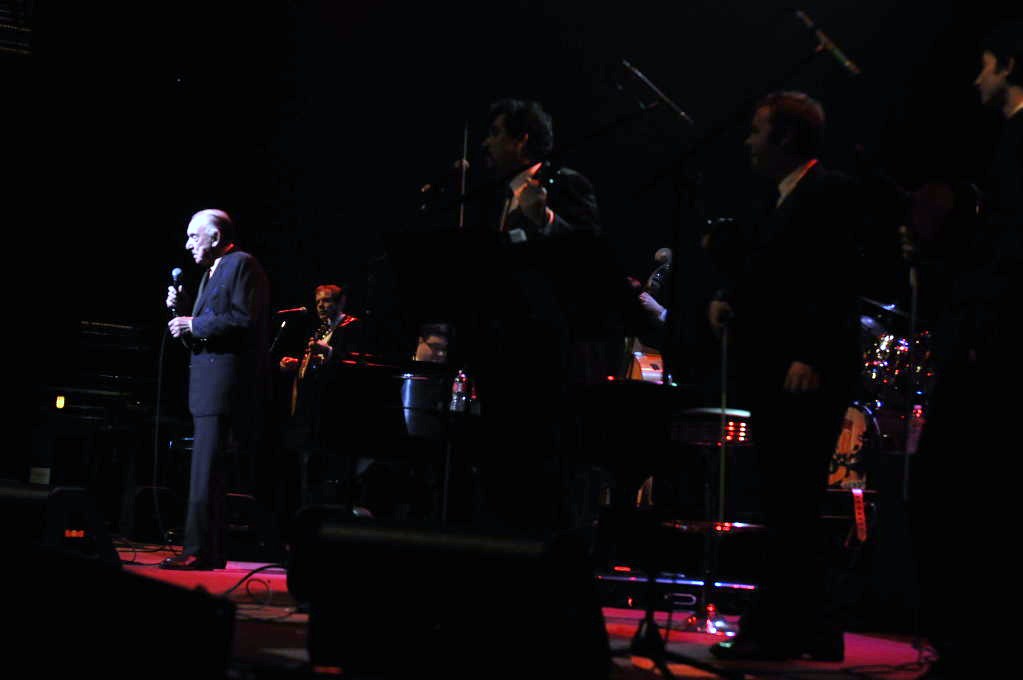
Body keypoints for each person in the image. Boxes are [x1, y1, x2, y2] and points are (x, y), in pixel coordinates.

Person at [702, 92, 864, 661]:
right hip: (782, 366)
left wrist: (811, 354)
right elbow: (772, 274)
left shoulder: (828, 192)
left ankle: (773, 631)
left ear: (786, 138)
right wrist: (728, 297)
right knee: (789, 501)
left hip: (806, 370)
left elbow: (835, 279)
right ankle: (814, 631)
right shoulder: (783, 197)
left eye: (757, 130)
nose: (748, 141)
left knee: (788, 501)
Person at [909, 21, 1022, 678]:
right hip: (988, 338)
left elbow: (1005, 251)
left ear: (1008, 66)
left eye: (985, 65)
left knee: (955, 491)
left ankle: (969, 647)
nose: (978, 78)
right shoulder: (1007, 142)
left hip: (991, 346)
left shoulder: (1017, 141)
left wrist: (976, 329)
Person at [467, 97, 620, 537]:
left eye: (496, 134)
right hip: (504, 353)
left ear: (522, 140)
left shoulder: (564, 183)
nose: (486, 144)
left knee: (547, 473)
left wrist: (546, 219)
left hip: (550, 358)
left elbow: (591, 261)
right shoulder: (496, 197)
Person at [163, 209, 271, 570]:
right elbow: (207, 328)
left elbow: (243, 319)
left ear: (216, 236)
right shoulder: (213, 272)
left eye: (194, 236)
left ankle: (198, 550)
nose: (188, 244)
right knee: (205, 470)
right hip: (208, 384)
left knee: (207, 469)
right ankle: (207, 550)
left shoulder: (241, 264)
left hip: (224, 386)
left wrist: (194, 324)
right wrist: (183, 314)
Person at [277, 284, 362, 513]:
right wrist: (297, 364)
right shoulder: (321, 329)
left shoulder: (351, 326)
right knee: (305, 461)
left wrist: (329, 352)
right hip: (311, 405)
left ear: (341, 302)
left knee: (325, 463)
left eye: (327, 301)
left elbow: (355, 362)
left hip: (333, 406)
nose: (321, 306)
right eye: (318, 302)